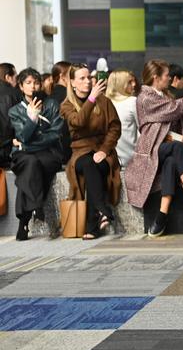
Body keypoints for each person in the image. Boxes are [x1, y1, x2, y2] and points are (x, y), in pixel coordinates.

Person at [125, 59, 183, 237]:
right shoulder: (146, 97)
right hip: (151, 150)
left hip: (166, 150)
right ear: (155, 78)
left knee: (171, 162)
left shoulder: (165, 95)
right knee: (177, 148)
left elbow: (182, 117)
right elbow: (174, 108)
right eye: (166, 75)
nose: (169, 78)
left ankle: (161, 216)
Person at [60, 63, 121, 239]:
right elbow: (78, 122)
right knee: (87, 163)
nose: (87, 82)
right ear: (72, 82)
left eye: (89, 77)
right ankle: (103, 210)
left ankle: (94, 225)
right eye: (82, 78)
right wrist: (91, 99)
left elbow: (115, 128)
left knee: (93, 165)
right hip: (80, 151)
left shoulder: (104, 101)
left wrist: (104, 150)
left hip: (103, 150)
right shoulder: (67, 105)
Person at [9, 68, 63, 240]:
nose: (33, 86)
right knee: (31, 164)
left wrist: (28, 143)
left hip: (47, 153)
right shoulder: (15, 111)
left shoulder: (52, 104)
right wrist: (32, 119)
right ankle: (36, 205)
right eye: (28, 83)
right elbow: (23, 135)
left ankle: (23, 222)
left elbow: (55, 134)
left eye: (36, 82)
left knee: (31, 167)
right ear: (21, 86)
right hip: (25, 156)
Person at [106, 69, 138, 167]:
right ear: (120, 84)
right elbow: (145, 130)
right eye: (129, 82)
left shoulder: (104, 103)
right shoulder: (133, 101)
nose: (134, 84)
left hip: (108, 157)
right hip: (131, 157)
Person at [0, 63, 20, 168]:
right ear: (8, 77)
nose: (17, 81)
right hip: (9, 149)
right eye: (15, 77)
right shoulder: (15, 94)